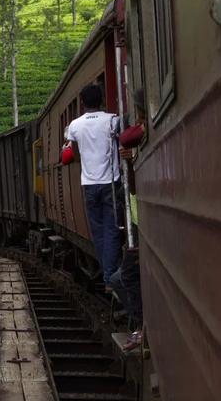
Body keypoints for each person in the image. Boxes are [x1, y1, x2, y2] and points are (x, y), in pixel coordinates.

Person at [66, 84, 122, 291]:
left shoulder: (75, 126)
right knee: (112, 229)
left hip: (89, 185)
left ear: (82, 102)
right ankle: (109, 276)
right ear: (103, 100)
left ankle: (108, 273)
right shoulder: (113, 120)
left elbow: (73, 152)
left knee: (98, 232)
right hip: (110, 181)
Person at [111, 89, 147, 351]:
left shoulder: (142, 133)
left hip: (144, 226)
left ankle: (142, 326)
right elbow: (132, 190)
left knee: (124, 277)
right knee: (119, 277)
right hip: (139, 223)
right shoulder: (139, 137)